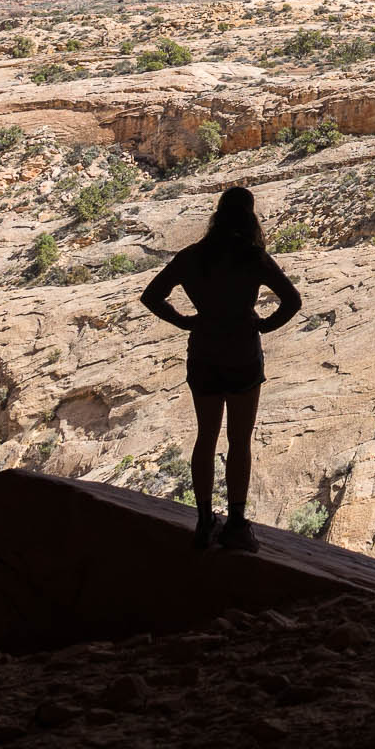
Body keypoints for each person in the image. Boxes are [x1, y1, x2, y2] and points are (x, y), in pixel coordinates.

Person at [140, 186, 302, 549]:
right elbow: (292, 300)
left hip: (204, 353)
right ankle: (238, 523)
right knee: (239, 440)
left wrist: (185, 322)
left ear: (217, 215)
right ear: (249, 216)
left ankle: (202, 521)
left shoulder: (192, 256)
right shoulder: (253, 257)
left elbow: (151, 296)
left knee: (206, 438)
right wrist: (263, 325)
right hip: (243, 353)